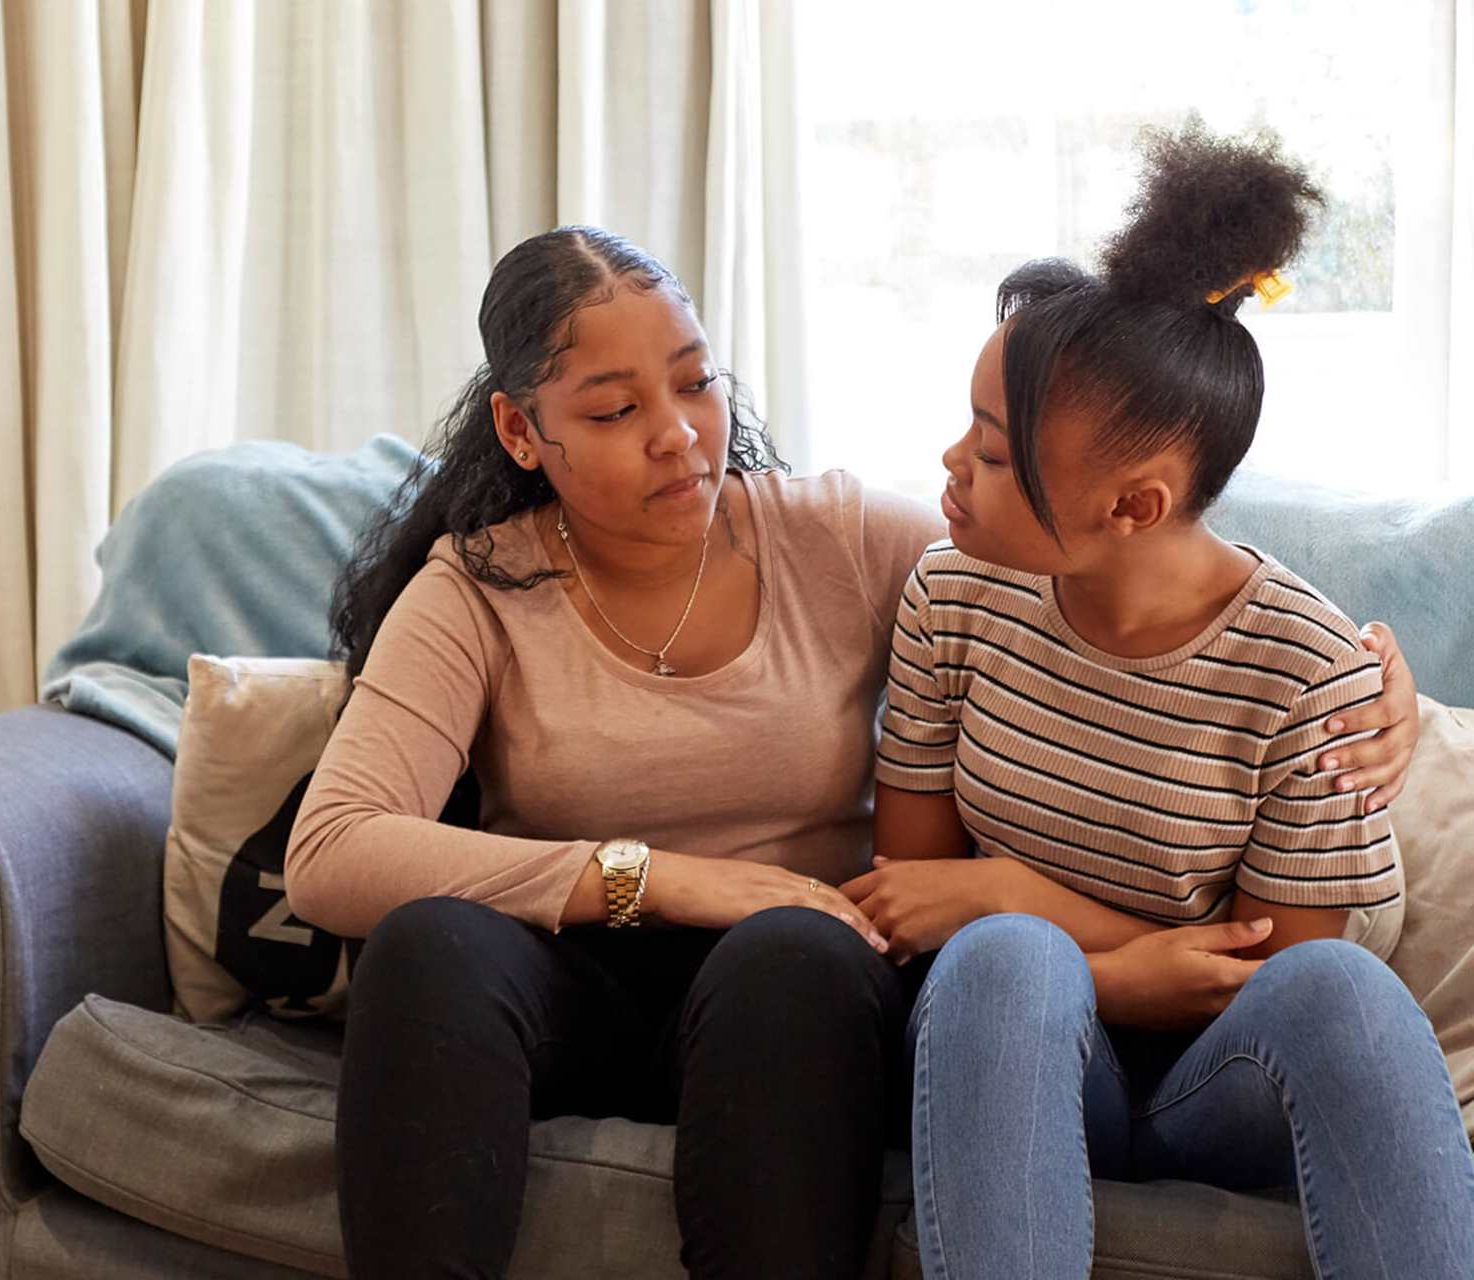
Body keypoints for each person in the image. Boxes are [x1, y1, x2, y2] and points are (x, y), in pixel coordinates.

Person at [285, 223, 1421, 1279]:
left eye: (694, 381)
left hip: (799, 993)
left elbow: (1095, 545)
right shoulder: (477, 587)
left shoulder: (842, 539)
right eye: (613, 409)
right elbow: (333, 853)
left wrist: (1376, 670)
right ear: (523, 431)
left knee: (794, 949)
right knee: (428, 942)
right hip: (578, 976)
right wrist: (660, 877)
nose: (679, 434)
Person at [850, 123, 1474, 1278]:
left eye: (991, 452)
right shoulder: (956, 594)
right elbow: (919, 899)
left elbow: (1264, 975)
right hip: (1019, 1053)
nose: (948, 464)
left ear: (1133, 506)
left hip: (1220, 1087)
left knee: (1339, 986)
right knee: (1004, 958)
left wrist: (1032, 908)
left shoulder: (1311, 674)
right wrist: (1089, 950)